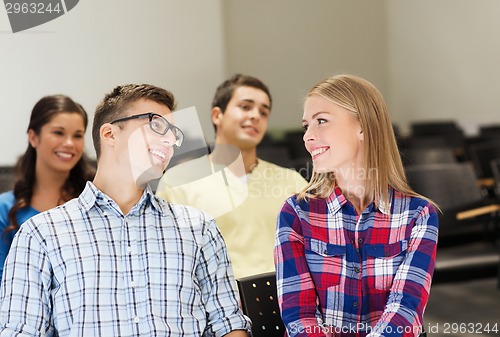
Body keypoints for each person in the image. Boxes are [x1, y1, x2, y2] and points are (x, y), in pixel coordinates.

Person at [0, 84, 250, 336]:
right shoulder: (40, 234)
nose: (170, 140)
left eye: (174, 133)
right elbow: (20, 330)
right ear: (109, 134)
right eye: (157, 125)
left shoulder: (199, 227)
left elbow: (227, 323)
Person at [274, 75, 439, 337]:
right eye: (306, 125)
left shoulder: (418, 215)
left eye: (321, 121)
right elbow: (300, 317)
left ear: (362, 126)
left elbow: (404, 312)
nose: (308, 136)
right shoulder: (296, 213)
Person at [156, 74, 308, 279]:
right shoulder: (178, 181)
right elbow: (168, 259)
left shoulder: (293, 182)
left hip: (283, 303)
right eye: (245, 107)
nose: (256, 115)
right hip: (213, 304)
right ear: (217, 115)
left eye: (264, 112)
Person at [0, 95, 94, 279]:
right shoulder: (5, 208)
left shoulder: (93, 201)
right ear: (33, 137)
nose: (69, 143)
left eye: (77, 135)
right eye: (59, 133)